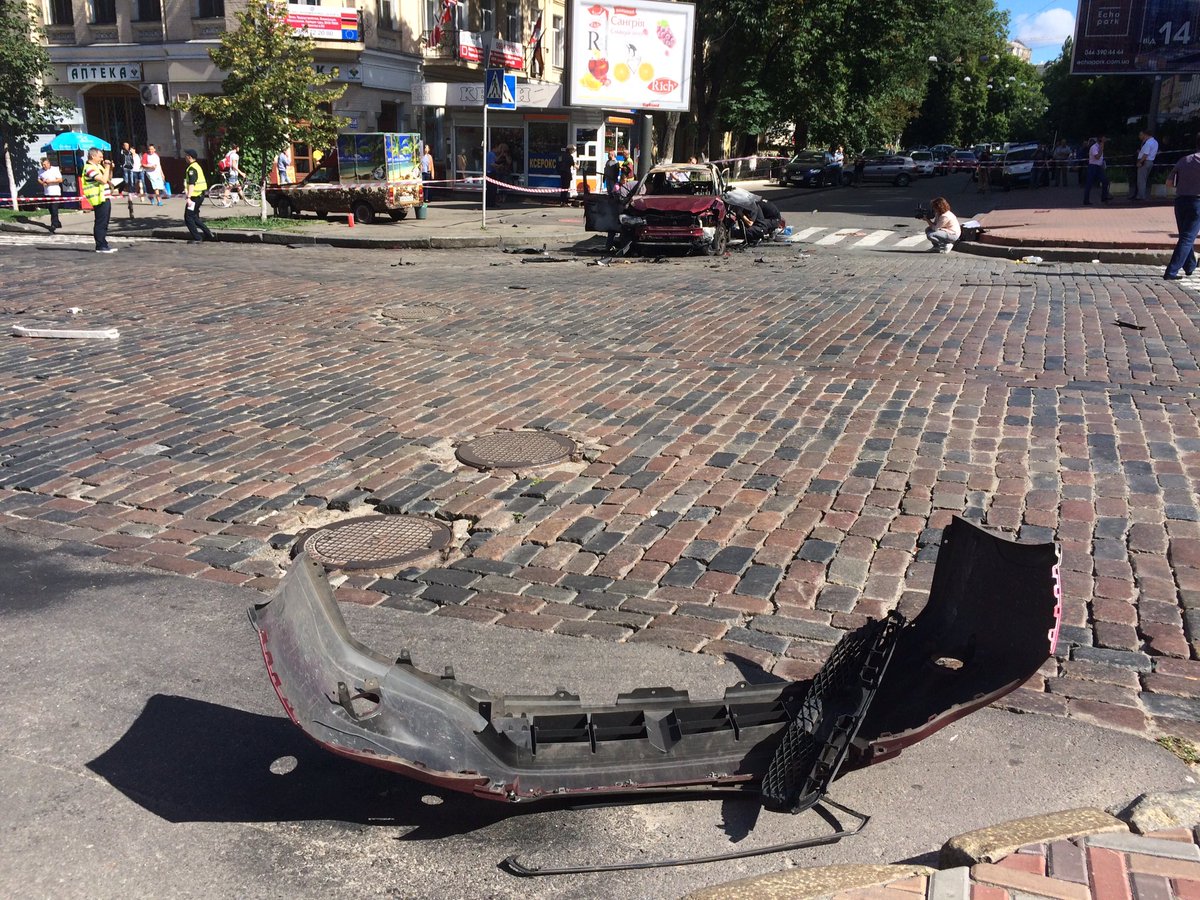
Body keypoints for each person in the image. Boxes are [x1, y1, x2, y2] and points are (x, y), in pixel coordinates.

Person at [1164, 134, 1200, 280]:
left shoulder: (1184, 159)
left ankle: (1190, 265)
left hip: (1180, 201)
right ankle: (1171, 271)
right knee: (1187, 237)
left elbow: (1169, 183)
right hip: (1197, 201)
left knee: (1185, 235)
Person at [81, 147, 116, 253]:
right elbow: (103, 180)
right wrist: (106, 167)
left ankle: (104, 243)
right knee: (100, 222)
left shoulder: (98, 167)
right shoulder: (89, 168)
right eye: (100, 156)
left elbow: (108, 179)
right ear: (93, 156)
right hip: (98, 198)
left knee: (105, 221)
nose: (102, 159)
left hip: (104, 196)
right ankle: (100, 245)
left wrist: (110, 169)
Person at [182, 149, 215, 245]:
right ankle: (208, 234)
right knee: (194, 217)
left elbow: (192, 184)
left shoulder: (192, 169)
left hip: (194, 197)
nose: (185, 157)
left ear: (189, 157)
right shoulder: (197, 166)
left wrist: (188, 197)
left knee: (188, 217)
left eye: (186, 155)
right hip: (199, 195)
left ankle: (197, 238)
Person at [38, 157, 63, 233]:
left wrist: (50, 181)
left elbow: (60, 180)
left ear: (49, 164)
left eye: (45, 164)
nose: (44, 166)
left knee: (54, 208)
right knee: (50, 208)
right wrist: (42, 183)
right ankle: (57, 222)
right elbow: (39, 179)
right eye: (42, 165)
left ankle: (53, 225)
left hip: (55, 192)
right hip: (47, 193)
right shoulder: (40, 171)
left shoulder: (55, 169)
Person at [1133, 129, 1159, 202]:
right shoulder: (1155, 142)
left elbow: (1145, 154)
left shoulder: (1148, 143)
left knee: (1141, 180)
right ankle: (1141, 195)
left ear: (1146, 135)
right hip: (1151, 161)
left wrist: (1140, 162)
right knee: (1144, 179)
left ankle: (1141, 196)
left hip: (1145, 161)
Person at [1084, 135, 1110, 204]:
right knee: (1089, 183)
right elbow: (1097, 157)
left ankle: (1104, 197)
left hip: (1099, 167)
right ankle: (1086, 200)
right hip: (1093, 166)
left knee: (1105, 181)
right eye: (1103, 140)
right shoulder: (1094, 147)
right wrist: (1101, 148)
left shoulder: (1100, 146)